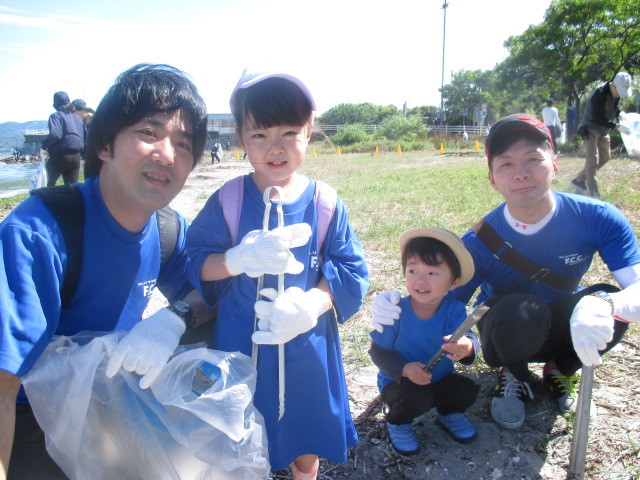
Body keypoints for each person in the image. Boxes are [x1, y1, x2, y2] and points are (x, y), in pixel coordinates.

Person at [0, 63, 215, 478]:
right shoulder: (40, 231)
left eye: (184, 144)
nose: (167, 154)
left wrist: (175, 318)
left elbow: (210, 295)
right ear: (104, 146)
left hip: (109, 398)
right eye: (148, 133)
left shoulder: (167, 229)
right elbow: (4, 383)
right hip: (35, 419)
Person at [371, 113, 640, 431]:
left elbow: (634, 286)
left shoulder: (599, 217)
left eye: (533, 159)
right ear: (492, 179)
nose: (521, 174)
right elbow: (439, 300)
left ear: (554, 164)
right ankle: (512, 373)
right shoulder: (479, 240)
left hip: (565, 323)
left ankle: (560, 368)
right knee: (524, 307)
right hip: (505, 330)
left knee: (608, 296)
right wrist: (393, 309)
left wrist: (610, 306)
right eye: (506, 164)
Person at [185, 70, 370, 480]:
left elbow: (350, 267)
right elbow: (196, 259)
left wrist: (313, 303)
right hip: (239, 342)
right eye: (259, 135)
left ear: (309, 131)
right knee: (241, 435)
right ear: (240, 139)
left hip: (307, 343)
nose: (275, 148)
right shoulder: (229, 199)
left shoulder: (324, 201)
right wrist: (237, 259)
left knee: (306, 438)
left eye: (289, 132)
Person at [369, 228, 480, 455]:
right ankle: (397, 422)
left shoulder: (454, 310)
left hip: (439, 378)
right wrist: (404, 369)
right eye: (413, 270)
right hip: (398, 382)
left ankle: (448, 413)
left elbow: (470, 338)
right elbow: (377, 351)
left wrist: (466, 348)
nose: (420, 280)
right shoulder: (394, 312)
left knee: (465, 389)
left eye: (432, 273)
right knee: (416, 397)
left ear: (454, 281)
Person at [571, 72, 634, 197]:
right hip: (591, 128)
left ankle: (578, 181)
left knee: (605, 158)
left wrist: (620, 114)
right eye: (619, 90)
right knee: (592, 161)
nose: (620, 94)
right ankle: (594, 193)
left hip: (604, 130)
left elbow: (613, 108)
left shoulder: (616, 92)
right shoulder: (599, 94)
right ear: (613, 85)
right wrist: (617, 126)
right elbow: (597, 117)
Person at [41, 91, 86, 186]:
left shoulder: (56, 116)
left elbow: (55, 135)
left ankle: (48, 200)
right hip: (76, 156)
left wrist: (44, 146)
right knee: (72, 187)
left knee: (49, 184)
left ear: (55, 103)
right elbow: (85, 138)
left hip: (60, 155)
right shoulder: (78, 118)